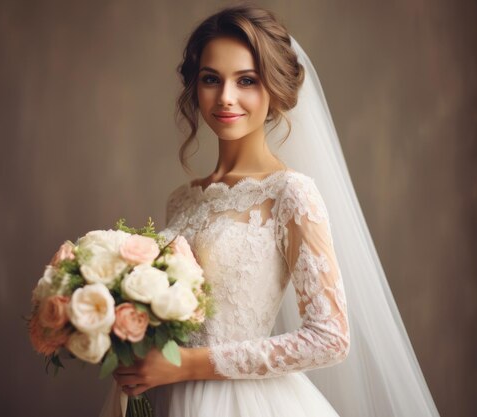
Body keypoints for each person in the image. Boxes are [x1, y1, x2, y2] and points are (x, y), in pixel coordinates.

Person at [100, 4, 441, 417]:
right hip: (165, 397)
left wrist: (185, 364)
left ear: (275, 88)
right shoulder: (182, 198)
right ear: (195, 87)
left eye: (247, 80)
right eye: (211, 79)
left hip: (240, 403)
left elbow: (330, 337)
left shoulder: (290, 194)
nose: (226, 97)